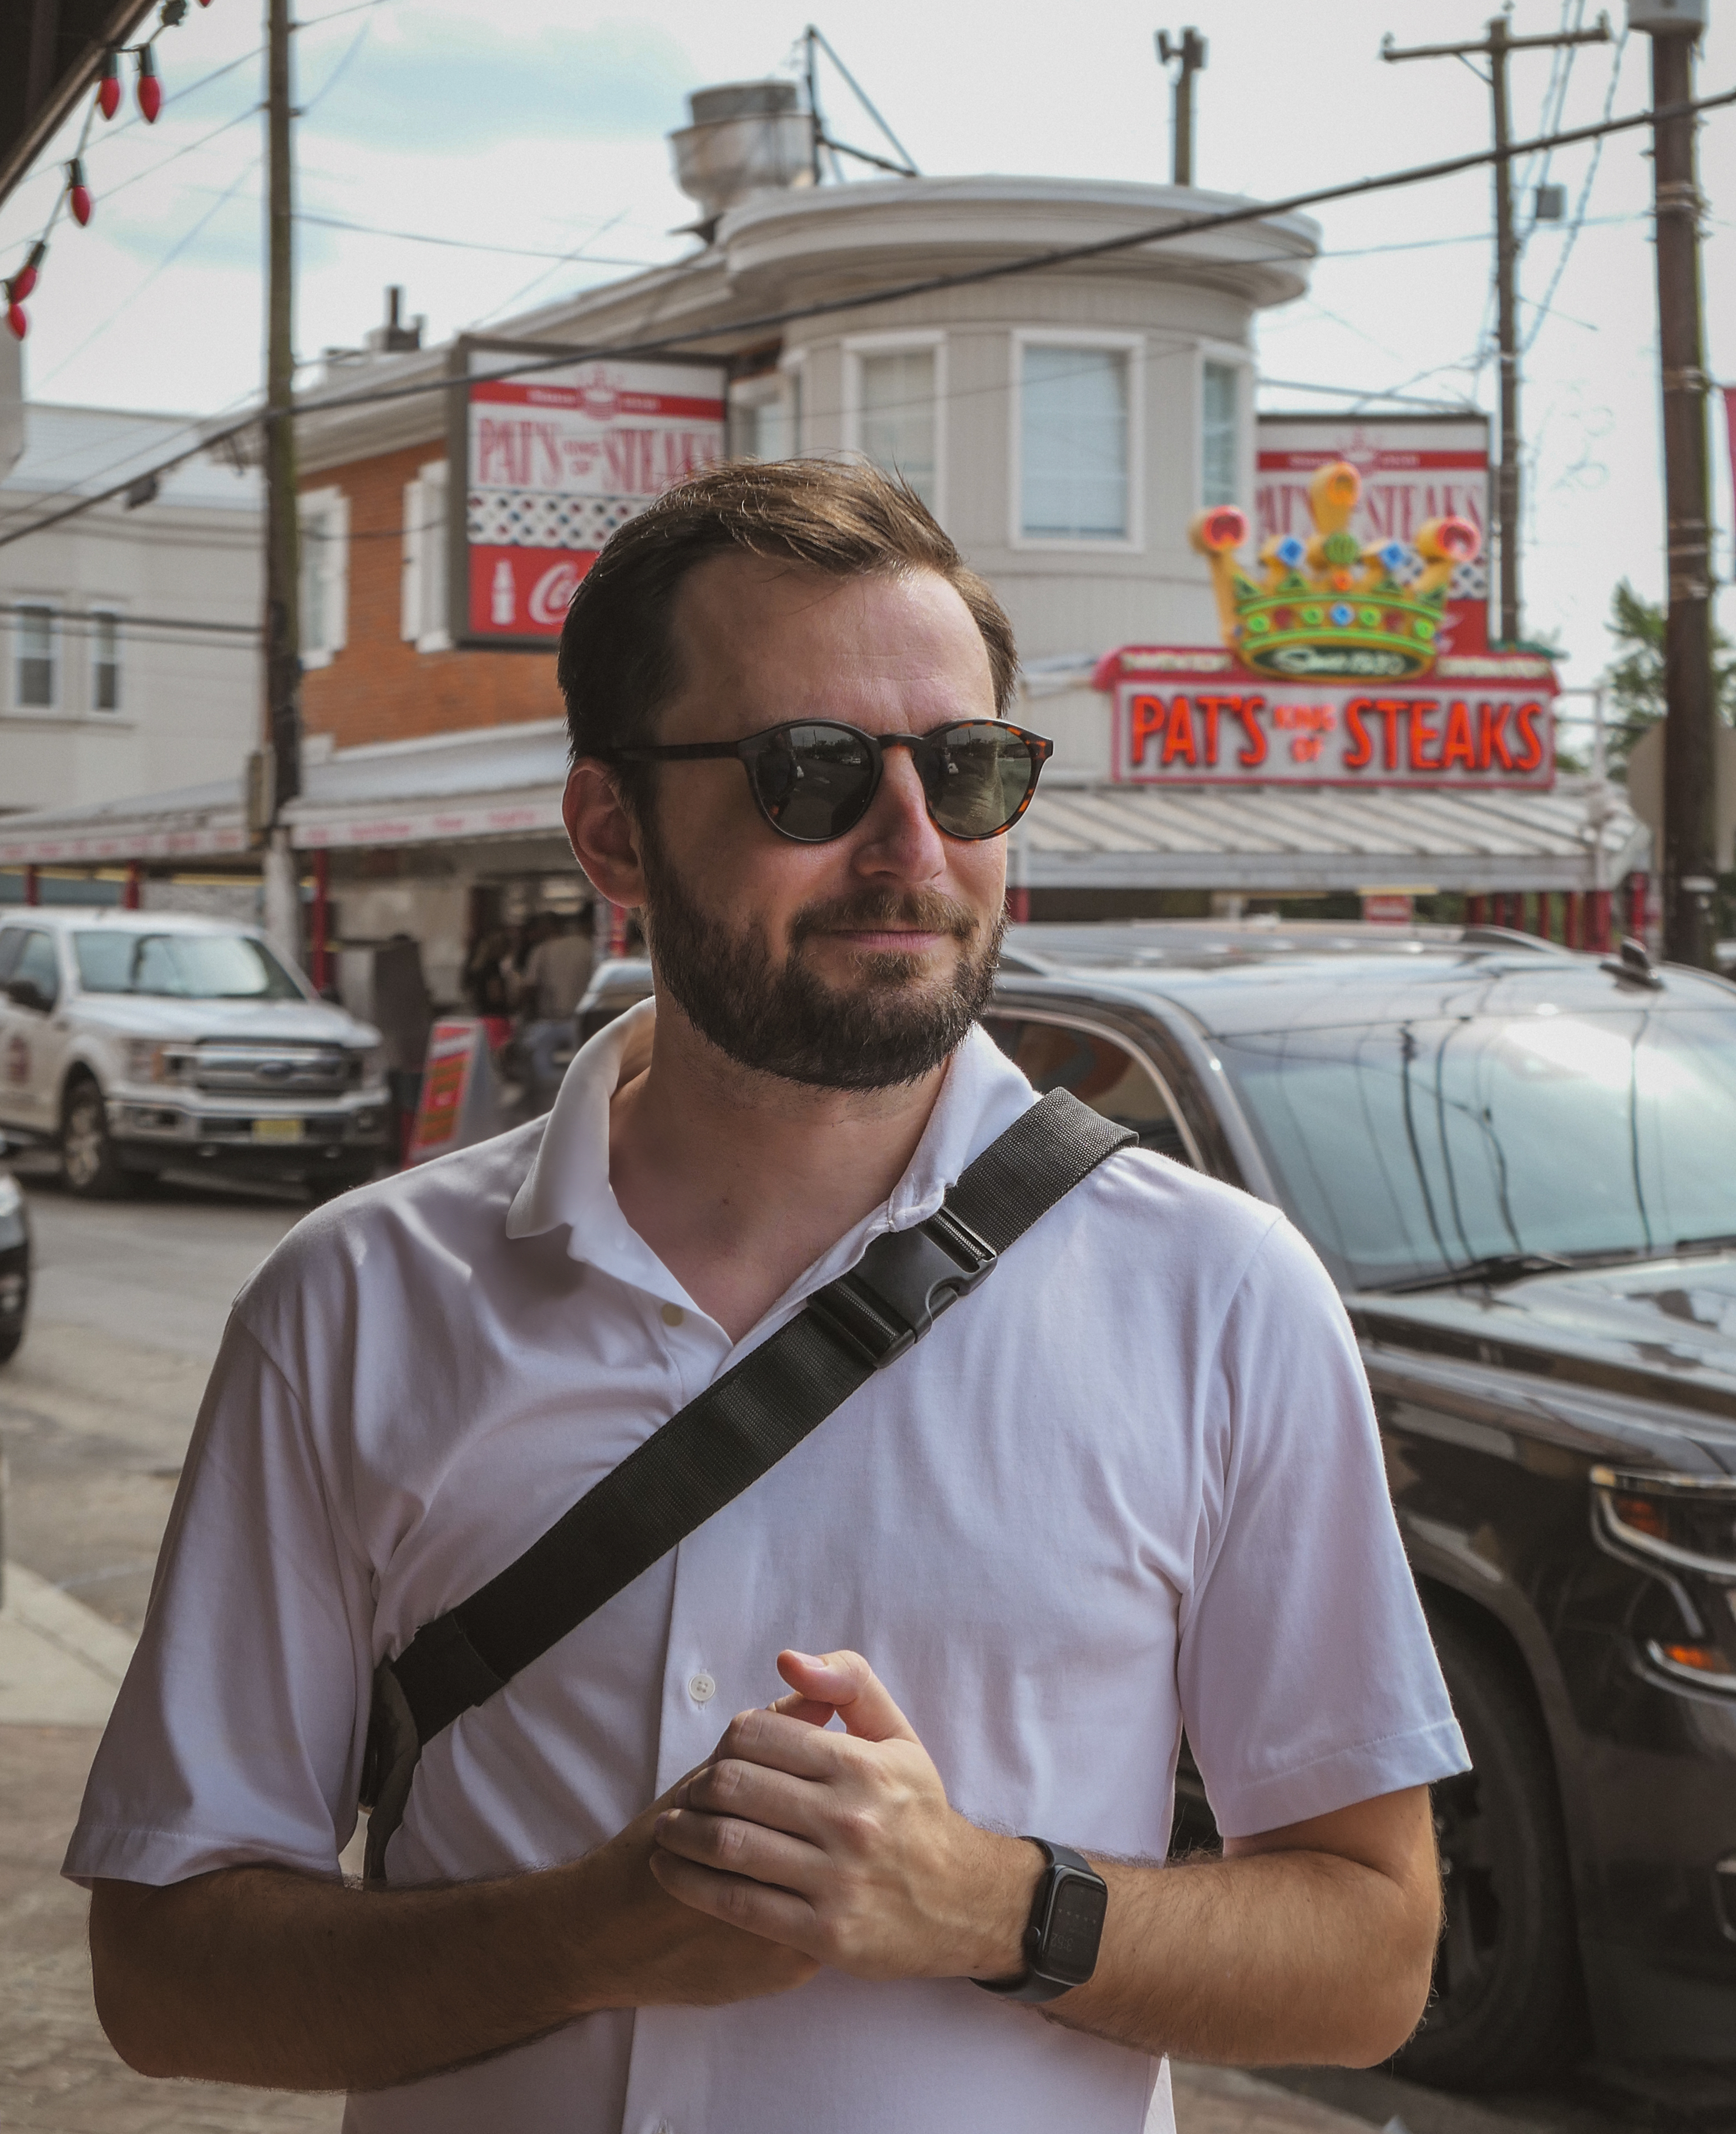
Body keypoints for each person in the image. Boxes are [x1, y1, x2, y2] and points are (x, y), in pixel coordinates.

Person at [70, 460, 1468, 2134]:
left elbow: (1370, 1948)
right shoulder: (355, 1303)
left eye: (965, 770)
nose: (909, 847)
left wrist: (989, 1901)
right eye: (806, 774)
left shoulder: (1220, 1296)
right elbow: (164, 1973)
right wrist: (583, 1931)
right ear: (612, 830)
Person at [518, 908, 595, 1098]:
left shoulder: (541, 951)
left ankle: (550, 1110)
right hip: (581, 1022)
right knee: (584, 1074)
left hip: (550, 1022)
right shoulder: (587, 946)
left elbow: (529, 989)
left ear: (546, 929)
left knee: (544, 1074)